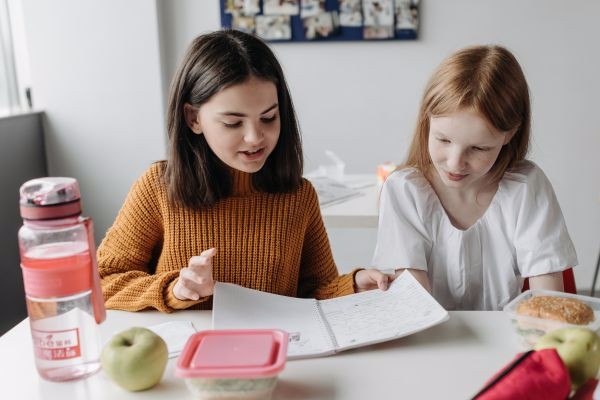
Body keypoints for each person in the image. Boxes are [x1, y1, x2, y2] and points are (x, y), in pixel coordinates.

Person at [98, 29, 390, 312]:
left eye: (269, 117)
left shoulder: (299, 195)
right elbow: (104, 280)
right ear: (193, 118)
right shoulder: (158, 187)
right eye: (233, 123)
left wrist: (353, 284)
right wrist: (174, 289)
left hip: (279, 354)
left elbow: (315, 290)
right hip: (190, 356)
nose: (255, 137)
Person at [371, 45, 578, 310]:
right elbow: (414, 304)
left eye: (479, 148)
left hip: (510, 339)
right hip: (431, 342)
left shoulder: (526, 188)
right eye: (443, 140)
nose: (455, 162)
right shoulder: (404, 190)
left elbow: (547, 303)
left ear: (509, 134)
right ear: (427, 121)